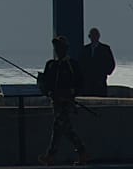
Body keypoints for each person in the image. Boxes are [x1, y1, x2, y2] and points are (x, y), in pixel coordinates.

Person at [38, 35, 87, 166]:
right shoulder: (51, 65)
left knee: (62, 127)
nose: (58, 50)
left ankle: (79, 152)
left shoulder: (72, 65)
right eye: (56, 48)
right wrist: (48, 91)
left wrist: (70, 93)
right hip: (55, 102)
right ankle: (53, 155)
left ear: (65, 49)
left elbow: (79, 83)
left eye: (60, 48)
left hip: (66, 102)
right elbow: (45, 83)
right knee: (60, 129)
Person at [79, 28, 114, 97]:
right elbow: (80, 63)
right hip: (87, 81)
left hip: (100, 80)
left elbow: (111, 63)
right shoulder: (85, 49)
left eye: (96, 35)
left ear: (98, 36)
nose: (94, 37)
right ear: (89, 37)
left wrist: (105, 73)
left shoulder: (105, 49)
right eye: (92, 35)